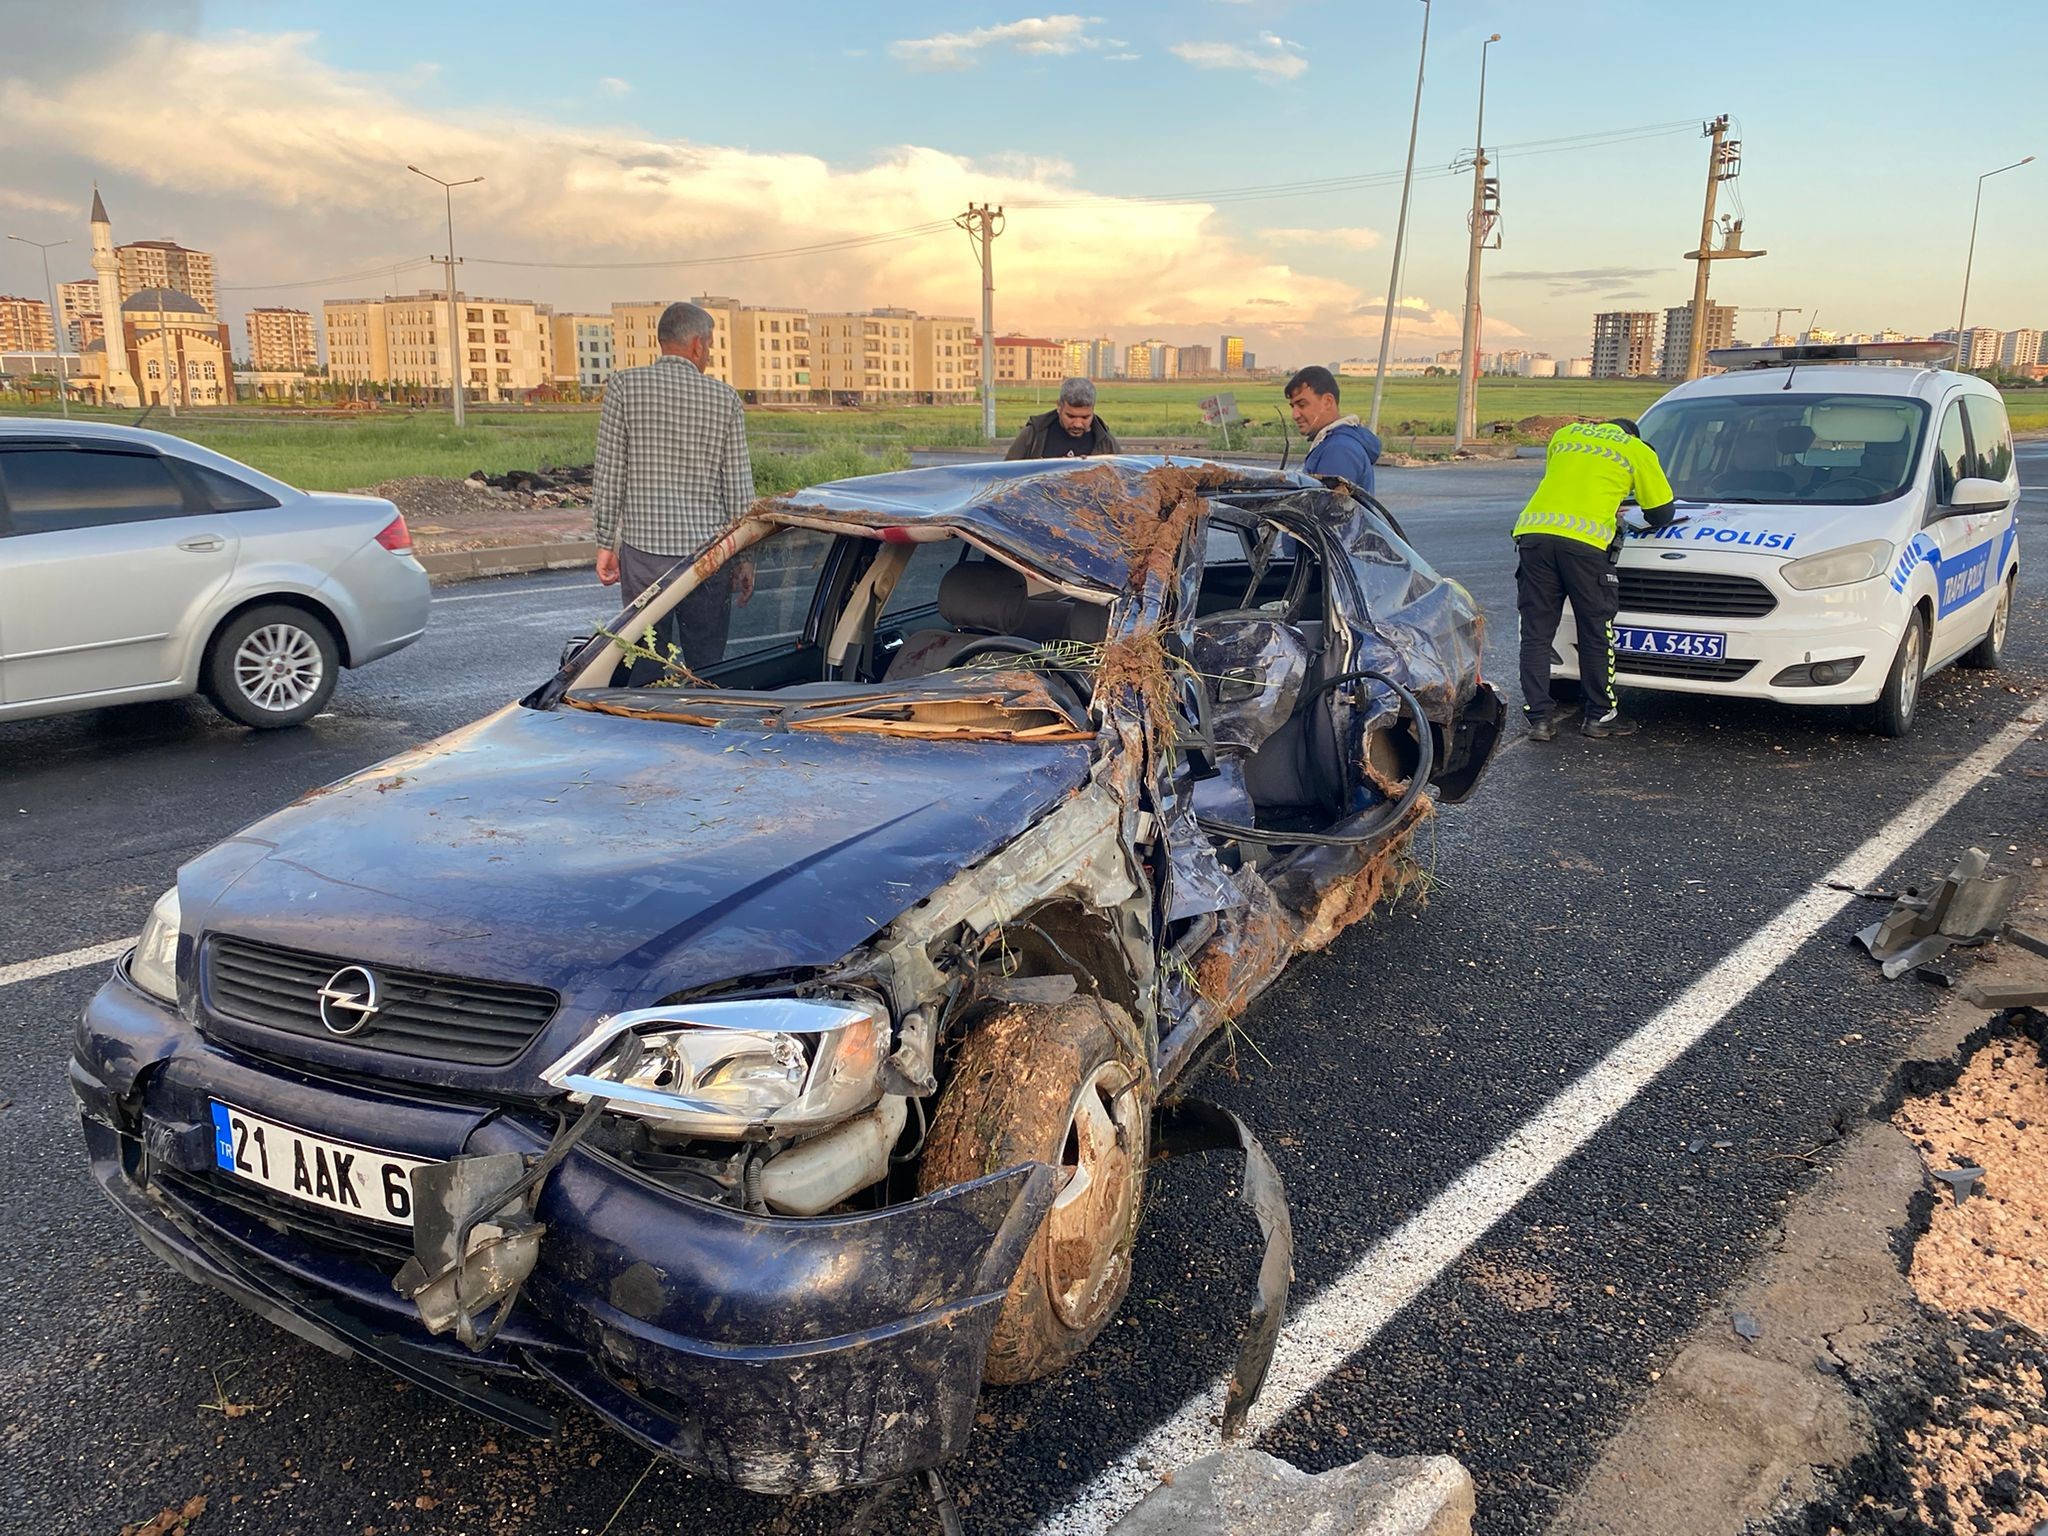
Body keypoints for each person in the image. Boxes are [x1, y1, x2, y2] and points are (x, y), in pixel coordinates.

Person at [592, 301, 756, 671]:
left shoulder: (623, 387)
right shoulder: (725, 399)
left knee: (645, 660)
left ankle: (650, 725)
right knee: (706, 666)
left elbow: (610, 472)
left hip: (644, 555)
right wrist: (745, 557)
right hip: (708, 558)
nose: (709, 354)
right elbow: (739, 488)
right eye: (710, 346)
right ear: (697, 345)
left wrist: (605, 543)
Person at [1512, 418, 1678, 741]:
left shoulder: (1564, 436)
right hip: (1584, 548)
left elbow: (1570, 484)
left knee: (1536, 632)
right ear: (1633, 435)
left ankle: (1540, 720)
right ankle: (1600, 715)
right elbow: (1661, 512)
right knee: (1595, 630)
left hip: (1533, 537)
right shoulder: (1635, 449)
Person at [1284, 366, 1383, 492]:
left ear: (1327, 402)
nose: (1295, 415)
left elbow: (1328, 508)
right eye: (1293, 407)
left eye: (1302, 405)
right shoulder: (1333, 443)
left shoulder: (1339, 449)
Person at [1005, 378, 1121, 459]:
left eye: (1085, 417)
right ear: (1059, 407)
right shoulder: (1034, 434)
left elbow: (1121, 482)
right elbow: (1007, 475)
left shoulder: (1106, 442)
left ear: (1093, 409)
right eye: (1070, 416)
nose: (1078, 424)